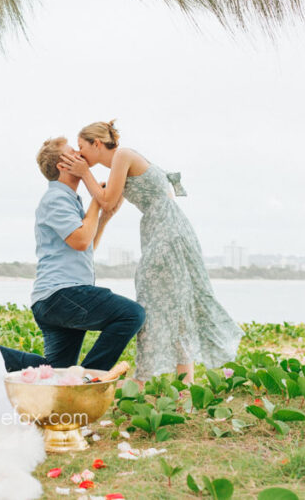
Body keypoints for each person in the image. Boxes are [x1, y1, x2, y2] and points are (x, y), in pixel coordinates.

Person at [58, 120, 243, 384]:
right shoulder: (120, 164)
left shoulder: (122, 155)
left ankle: (143, 380)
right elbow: (111, 205)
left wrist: (85, 175)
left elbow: (108, 200)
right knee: (173, 301)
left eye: (81, 147)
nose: (80, 154)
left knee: (150, 297)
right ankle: (183, 383)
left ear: (96, 144)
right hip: (164, 229)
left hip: (166, 232)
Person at [0, 136, 145, 374]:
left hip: (56, 298)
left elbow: (85, 246)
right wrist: (99, 201)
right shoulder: (56, 199)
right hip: (61, 295)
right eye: (73, 152)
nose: (80, 154)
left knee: (55, 370)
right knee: (131, 314)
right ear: (62, 165)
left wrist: (103, 219)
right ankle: (86, 379)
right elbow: (81, 240)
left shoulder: (68, 199)